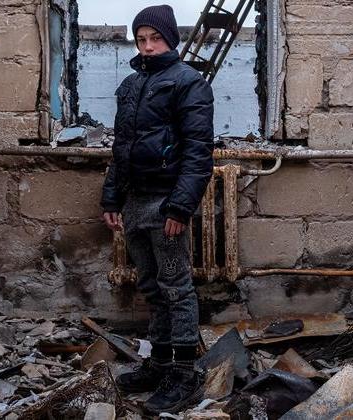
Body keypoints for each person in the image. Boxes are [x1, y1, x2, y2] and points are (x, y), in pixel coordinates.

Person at [100, 4, 214, 415]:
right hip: (135, 202)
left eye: (156, 39)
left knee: (176, 288)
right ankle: (160, 363)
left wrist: (180, 208)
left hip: (166, 204)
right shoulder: (131, 84)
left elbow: (199, 153)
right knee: (151, 287)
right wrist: (112, 198)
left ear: (171, 39)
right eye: (141, 40)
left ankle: (184, 374)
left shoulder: (189, 83)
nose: (147, 47)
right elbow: (122, 147)